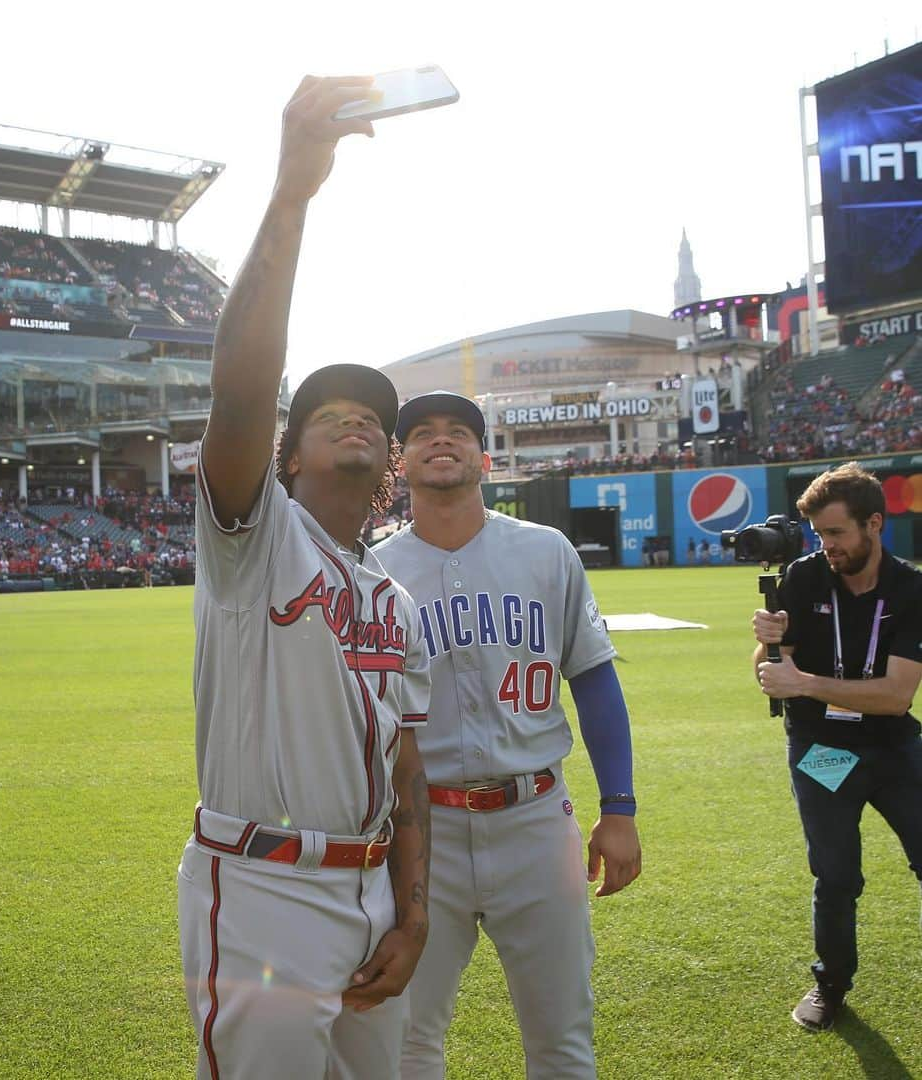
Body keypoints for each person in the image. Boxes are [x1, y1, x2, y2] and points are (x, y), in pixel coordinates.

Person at [176, 77, 432, 1080]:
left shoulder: (395, 598)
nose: (360, 417)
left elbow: (411, 771)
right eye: (329, 414)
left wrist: (413, 917)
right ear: (286, 457)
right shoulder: (255, 539)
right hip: (266, 888)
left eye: (374, 414)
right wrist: (292, 194)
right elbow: (239, 390)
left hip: (371, 894)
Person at [374, 392, 642, 1079]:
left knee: (561, 1038)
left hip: (534, 816)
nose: (441, 441)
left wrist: (620, 808)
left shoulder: (544, 551)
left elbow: (593, 678)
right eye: (422, 434)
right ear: (400, 461)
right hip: (418, 830)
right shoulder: (369, 568)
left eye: (458, 432)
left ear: (484, 457)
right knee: (406, 1035)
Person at [752, 461, 922, 1032]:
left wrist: (803, 682)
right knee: (836, 873)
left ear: (874, 524)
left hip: (893, 746)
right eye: (820, 534)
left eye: (838, 533)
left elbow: (897, 696)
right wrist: (769, 651)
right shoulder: (802, 579)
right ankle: (830, 985)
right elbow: (771, 673)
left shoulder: (911, 587)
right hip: (822, 748)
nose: (827, 546)